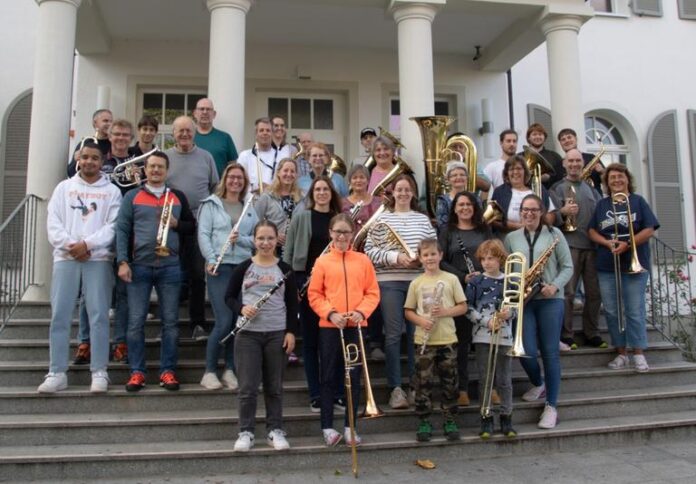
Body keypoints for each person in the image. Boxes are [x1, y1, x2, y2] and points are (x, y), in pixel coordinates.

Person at [38, 140, 122, 394]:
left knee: (98, 316)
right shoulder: (64, 188)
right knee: (60, 315)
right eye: (85, 157)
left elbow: (112, 226)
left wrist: (87, 245)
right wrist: (71, 246)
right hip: (66, 258)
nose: (89, 162)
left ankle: (99, 371)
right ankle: (57, 372)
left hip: (98, 259)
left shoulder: (112, 191)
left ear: (102, 161)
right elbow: (53, 222)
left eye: (94, 158)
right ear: (78, 159)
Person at [117, 151, 196, 392]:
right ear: (145, 170)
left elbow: (192, 227)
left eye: (160, 167)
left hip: (170, 266)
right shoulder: (132, 196)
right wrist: (122, 261)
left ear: (166, 170)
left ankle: (167, 371)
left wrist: (176, 225)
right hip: (139, 265)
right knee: (135, 322)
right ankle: (137, 372)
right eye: (151, 167)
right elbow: (121, 230)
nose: (155, 171)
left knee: (170, 323)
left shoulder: (177, 196)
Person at [364, 174, 436, 409]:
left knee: (418, 338)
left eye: (408, 190)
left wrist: (420, 259)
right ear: (393, 193)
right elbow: (370, 251)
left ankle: (416, 387)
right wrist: (396, 257)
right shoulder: (381, 219)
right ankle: (396, 388)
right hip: (390, 281)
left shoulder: (422, 220)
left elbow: (433, 248)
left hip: (417, 281)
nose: (403, 193)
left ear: (413, 194)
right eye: (399, 190)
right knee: (393, 335)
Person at [225, 220, 298, 452]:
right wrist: (241, 309)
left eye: (270, 238)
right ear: (254, 240)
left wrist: (291, 332)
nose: (265, 243)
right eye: (261, 238)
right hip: (248, 334)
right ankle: (245, 431)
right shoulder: (243, 267)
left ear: (277, 240)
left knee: (274, 386)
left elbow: (292, 303)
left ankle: (275, 430)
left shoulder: (285, 269)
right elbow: (228, 297)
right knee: (247, 387)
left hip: (276, 333)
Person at [308, 213, 380, 446]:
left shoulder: (363, 260)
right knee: (328, 376)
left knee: (354, 376)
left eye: (346, 232)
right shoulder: (322, 262)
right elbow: (315, 294)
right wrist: (330, 313)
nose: (341, 236)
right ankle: (327, 427)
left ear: (352, 234)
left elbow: (372, 292)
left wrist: (361, 311)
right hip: (330, 326)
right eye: (337, 232)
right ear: (330, 233)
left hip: (356, 326)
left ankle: (350, 427)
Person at [504, 194, 573, 429]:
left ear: (542, 212)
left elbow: (568, 266)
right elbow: (506, 270)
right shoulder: (511, 238)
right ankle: (538, 383)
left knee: (550, 353)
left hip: (550, 299)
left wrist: (554, 286)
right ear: (520, 212)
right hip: (523, 301)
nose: (529, 214)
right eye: (525, 210)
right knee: (525, 351)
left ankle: (551, 406)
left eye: (534, 210)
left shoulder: (555, 234)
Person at [588, 163, 659, 372]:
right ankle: (621, 353)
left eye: (620, 176)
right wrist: (607, 243)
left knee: (634, 310)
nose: (617, 180)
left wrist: (628, 243)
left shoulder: (638, 202)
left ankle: (638, 353)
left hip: (634, 263)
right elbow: (592, 230)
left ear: (627, 179)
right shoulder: (602, 205)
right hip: (607, 264)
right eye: (612, 178)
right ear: (607, 183)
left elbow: (649, 229)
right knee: (611, 311)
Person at [283, 176, 343, 412]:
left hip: (336, 284)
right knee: (310, 342)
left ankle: (338, 392)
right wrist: (291, 285)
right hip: (305, 281)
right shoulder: (301, 217)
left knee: (335, 341)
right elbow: (287, 253)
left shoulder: (338, 220)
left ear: (331, 192)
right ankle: (316, 394)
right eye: (317, 189)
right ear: (312, 193)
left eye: (325, 189)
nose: (321, 193)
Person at [198, 163, 258, 390]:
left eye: (240, 178)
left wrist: (240, 240)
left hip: (243, 267)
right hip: (219, 267)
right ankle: (209, 371)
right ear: (225, 179)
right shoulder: (211, 204)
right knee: (224, 321)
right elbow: (203, 234)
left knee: (238, 322)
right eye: (232, 177)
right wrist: (211, 259)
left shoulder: (249, 206)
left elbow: (256, 238)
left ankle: (230, 369)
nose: (235, 181)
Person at [404, 238, 467, 442]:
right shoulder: (416, 283)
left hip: (447, 339)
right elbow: (408, 311)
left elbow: (463, 307)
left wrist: (445, 311)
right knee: (423, 383)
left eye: (433, 254)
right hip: (424, 339)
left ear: (440, 255)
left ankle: (450, 419)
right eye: (426, 255)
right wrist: (421, 321)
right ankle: (424, 421)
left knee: (450, 382)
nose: (430, 258)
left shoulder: (451, 279)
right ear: (420, 258)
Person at [165, 116, 219, 340]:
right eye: (180, 131)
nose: (184, 134)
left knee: (197, 273)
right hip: (172, 223)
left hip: (200, 223)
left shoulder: (206, 157)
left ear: (194, 132)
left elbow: (215, 187)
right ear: (173, 133)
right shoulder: (165, 157)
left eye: (188, 130)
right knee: (172, 274)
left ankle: (198, 324)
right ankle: (170, 325)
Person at [438, 191, 492, 406]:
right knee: (462, 343)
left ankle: (490, 387)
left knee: (484, 343)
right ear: (454, 208)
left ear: (475, 207)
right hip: (457, 293)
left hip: (484, 293)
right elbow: (440, 261)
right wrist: (463, 277)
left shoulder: (484, 230)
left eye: (469, 204)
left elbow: (494, 255)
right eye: (460, 205)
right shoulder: (447, 231)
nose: (465, 208)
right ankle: (462, 389)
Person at [551, 149, 606, 349]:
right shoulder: (557, 188)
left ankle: (592, 333)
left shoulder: (592, 189)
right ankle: (566, 334)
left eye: (578, 161)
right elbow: (550, 218)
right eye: (570, 161)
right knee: (568, 293)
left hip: (592, 247)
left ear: (583, 163)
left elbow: (602, 214)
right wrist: (562, 212)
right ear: (564, 164)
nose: (574, 164)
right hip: (569, 246)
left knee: (594, 293)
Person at [466, 239, 516, 438]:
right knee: (486, 379)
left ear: (500, 259)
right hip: (482, 335)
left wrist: (508, 314)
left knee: (505, 380)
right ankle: (485, 418)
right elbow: (468, 309)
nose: (487, 263)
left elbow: (516, 307)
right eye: (484, 259)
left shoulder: (510, 281)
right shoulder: (476, 282)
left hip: (504, 335)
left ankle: (506, 417)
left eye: (492, 258)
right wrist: (485, 321)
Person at [489, 156, 556, 234]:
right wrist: (517, 226)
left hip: (537, 235)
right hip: (507, 237)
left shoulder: (538, 188)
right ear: (506, 173)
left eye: (519, 168)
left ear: (525, 171)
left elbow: (551, 213)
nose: (515, 172)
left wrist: (539, 227)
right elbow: (493, 219)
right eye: (511, 169)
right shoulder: (499, 192)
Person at [254, 158, 304, 256]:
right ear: (278, 173)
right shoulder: (266, 196)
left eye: (292, 171)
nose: (289, 174)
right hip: (272, 249)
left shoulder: (302, 197)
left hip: (295, 248)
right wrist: (273, 235)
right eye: (285, 170)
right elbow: (256, 222)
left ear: (296, 175)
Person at [193, 98, 239, 177]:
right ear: (195, 113)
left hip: (219, 187)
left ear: (214, 114)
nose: (205, 112)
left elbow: (233, 166)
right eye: (201, 109)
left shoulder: (225, 138)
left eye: (208, 109)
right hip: (194, 186)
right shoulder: (188, 138)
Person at [558, 128, 605, 195]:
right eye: (563, 139)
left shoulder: (591, 157)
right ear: (560, 144)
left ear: (576, 139)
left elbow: (607, 182)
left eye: (569, 137)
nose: (567, 141)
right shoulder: (558, 165)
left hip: (594, 199)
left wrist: (602, 171)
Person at [238, 117, 277, 193]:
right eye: (261, 130)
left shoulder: (280, 156)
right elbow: (239, 179)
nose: (265, 133)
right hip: (250, 199)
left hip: (273, 200)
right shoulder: (245, 156)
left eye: (268, 130)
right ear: (256, 134)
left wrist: (269, 188)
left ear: (272, 134)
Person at [520, 123, 563, 189]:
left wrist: (549, 178)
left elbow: (561, 178)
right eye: (534, 134)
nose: (537, 137)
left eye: (540, 134)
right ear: (529, 138)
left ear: (544, 137)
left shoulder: (555, 156)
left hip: (549, 192)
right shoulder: (520, 157)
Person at [435, 161, 476, 230]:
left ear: (467, 178)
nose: (459, 177)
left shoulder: (475, 198)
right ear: (448, 180)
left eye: (462, 175)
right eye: (454, 175)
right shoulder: (442, 200)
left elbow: (479, 220)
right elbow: (442, 225)